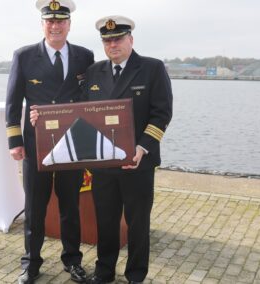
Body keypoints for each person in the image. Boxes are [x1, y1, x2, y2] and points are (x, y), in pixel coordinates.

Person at [5, 0, 94, 283]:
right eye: (50, 21)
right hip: (35, 145)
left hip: (72, 144)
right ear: (42, 24)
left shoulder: (85, 56)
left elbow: (91, 98)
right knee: (35, 208)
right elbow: (13, 100)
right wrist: (15, 141)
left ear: (69, 24)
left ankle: (72, 260)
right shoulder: (24, 56)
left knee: (71, 206)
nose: (55, 26)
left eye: (61, 21)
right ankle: (31, 263)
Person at [83, 16, 173, 283]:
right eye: (107, 41)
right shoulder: (93, 73)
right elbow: (83, 113)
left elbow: (162, 113)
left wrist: (142, 147)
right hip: (104, 164)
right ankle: (104, 271)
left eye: (118, 39)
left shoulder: (152, 68)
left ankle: (135, 274)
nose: (113, 45)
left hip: (138, 162)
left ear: (130, 40)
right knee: (106, 221)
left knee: (138, 223)